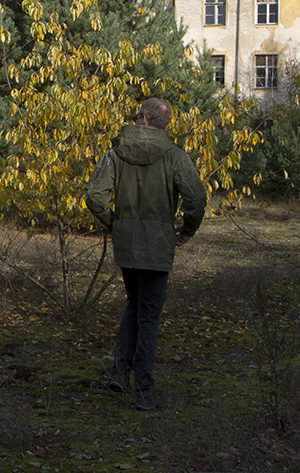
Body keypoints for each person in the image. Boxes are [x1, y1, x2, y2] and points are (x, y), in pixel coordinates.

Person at [84, 98, 206, 410]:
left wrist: (117, 224)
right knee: (148, 312)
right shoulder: (176, 157)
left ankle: (120, 371)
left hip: (127, 244)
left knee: (134, 304)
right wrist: (186, 231)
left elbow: (95, 196)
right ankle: (144, 389)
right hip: (158, 244)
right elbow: (196, 199)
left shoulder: (116, 153)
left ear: (141, 119)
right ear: (162, 124)